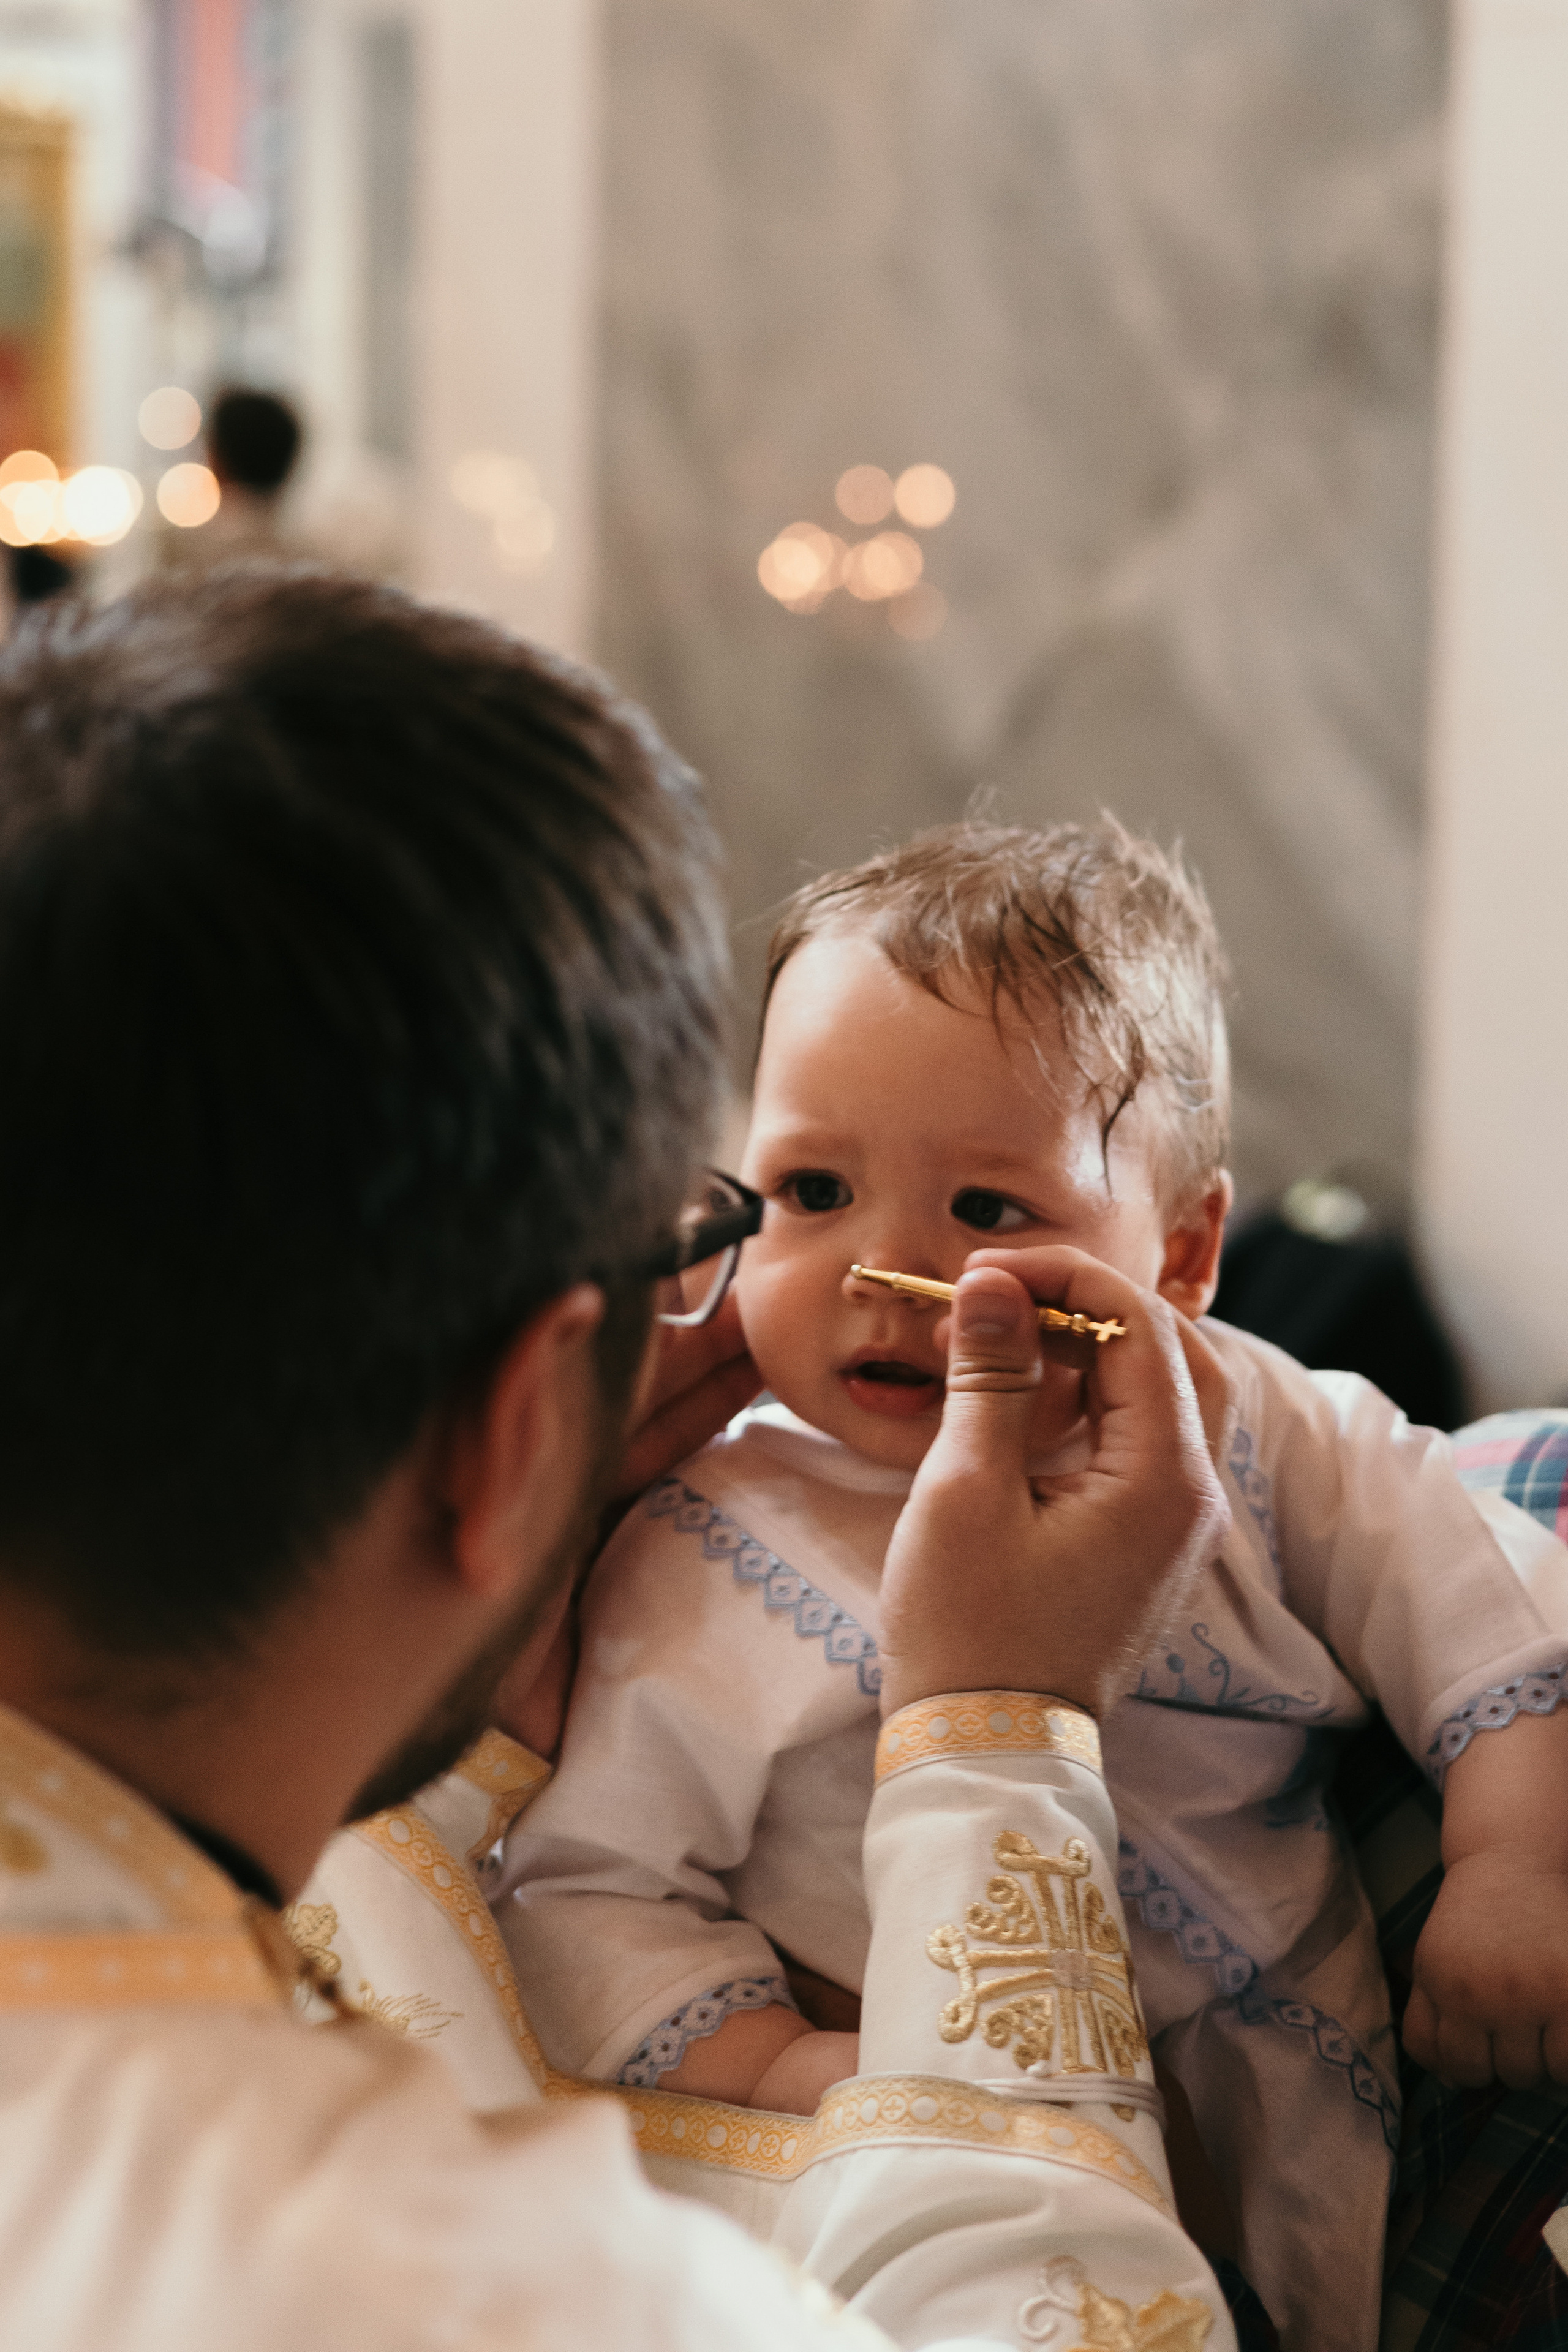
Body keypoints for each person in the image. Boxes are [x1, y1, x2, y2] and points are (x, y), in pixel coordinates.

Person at [0, 571, 1240, 2349]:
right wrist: (991, 1735)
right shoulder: (518, 2304)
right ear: (522, 1426)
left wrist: (440, 1715)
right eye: (775, 1202)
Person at [501, 820, 1568, 2351]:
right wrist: (796, 2075)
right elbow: (592, 1889)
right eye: (809, 1188)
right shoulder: (695, 1537)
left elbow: (1484, 1600)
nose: (880, 1269)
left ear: (1184, 1256)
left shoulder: (1244, 1416)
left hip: (1290, 2083)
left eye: (987, 1213)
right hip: (900, 2119)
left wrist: (1515, 1864)